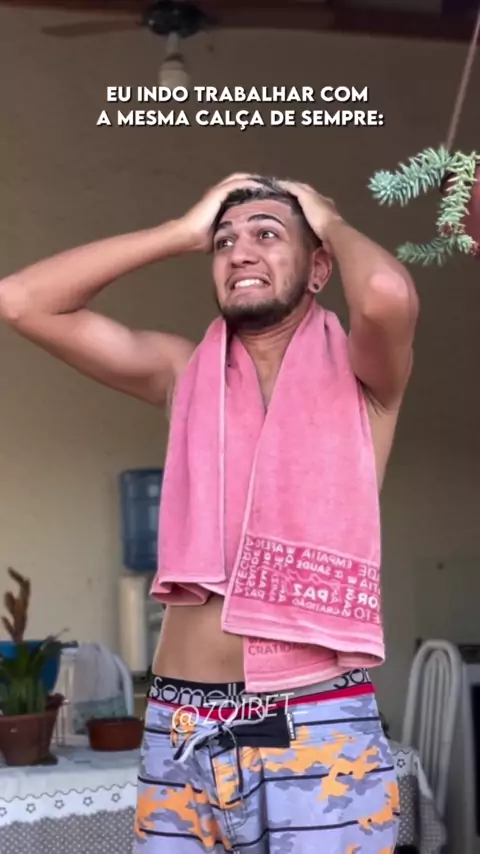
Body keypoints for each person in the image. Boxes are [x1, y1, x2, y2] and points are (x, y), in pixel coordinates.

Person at [0, 173, 419, 853]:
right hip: (182, 724)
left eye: (267, 234)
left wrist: (328, 218)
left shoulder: (365, 380)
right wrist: (180, 232)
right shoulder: (182, 372)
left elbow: (385, 293)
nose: (240, 251)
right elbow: (22, 301)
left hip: (317, 720)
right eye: (224, 242)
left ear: (318, 268)